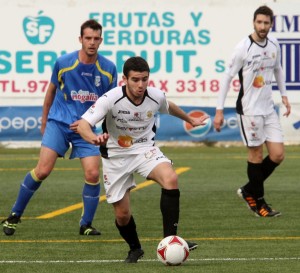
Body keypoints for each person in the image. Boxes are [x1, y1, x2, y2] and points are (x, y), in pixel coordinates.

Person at [77, 56, 209, 263]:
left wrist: (190, 119)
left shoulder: (155, 96)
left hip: (145, 149)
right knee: (122, 215)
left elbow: (168, 105)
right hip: (115, 157)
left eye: (145, 79)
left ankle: (170, 240)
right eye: (135, 80)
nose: (141, 85)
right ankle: (135, 248)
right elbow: (83, 124)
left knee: (170, 179)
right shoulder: (110, 98)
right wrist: (94, 138)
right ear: (125, 80)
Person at [2, 19, 117, 236]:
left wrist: (103, 130)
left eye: (96, 38)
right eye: (88, 38)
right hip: (59, 123)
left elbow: (109, 103)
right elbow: (51, 91)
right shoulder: (64, 62)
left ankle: (86, 224)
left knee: (93, 174)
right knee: (43, 170)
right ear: (80, 39)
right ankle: (14, 215)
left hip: (87, 128)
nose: (92, 42)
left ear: (101, 40)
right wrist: (45, 121)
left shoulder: (109, 69)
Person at [213, 6, 291, 217]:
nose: (262, 26)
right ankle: (259, 203)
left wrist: (284, 95)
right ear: (253, 22)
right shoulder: (243, 48)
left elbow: (278, 69)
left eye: (266, 23)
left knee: (277, 155)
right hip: (249, 110)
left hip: (268, 108)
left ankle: (249, 189)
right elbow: (227, 77)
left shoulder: (274, 44)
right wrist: (219, 111)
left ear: (271, 24)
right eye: (259, 22)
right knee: (256, 155)